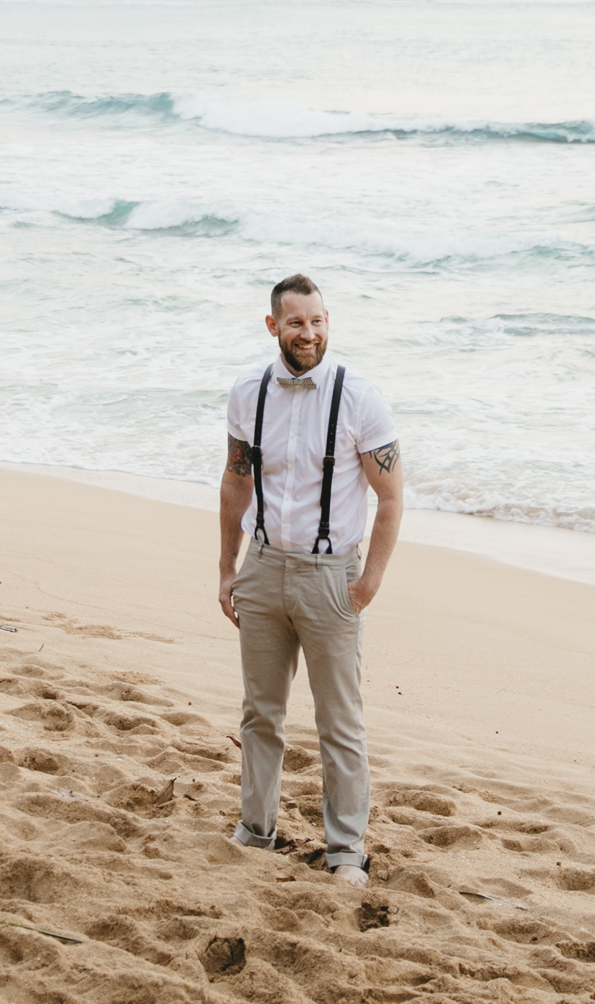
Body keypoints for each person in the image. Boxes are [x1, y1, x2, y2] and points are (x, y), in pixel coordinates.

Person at [216, 272, 403, 886]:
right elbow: (236, 480)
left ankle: (346, 849)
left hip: (331, 576)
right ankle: (255, 829)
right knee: (260, 713)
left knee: (338, 720)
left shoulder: (359, 397)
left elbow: (391, 496)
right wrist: (228, 567)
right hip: (264, 569)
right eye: (296, 322)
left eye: (318, 321)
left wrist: (369, 580)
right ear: (274, 326)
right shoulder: (249, 392)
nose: (309, 333)